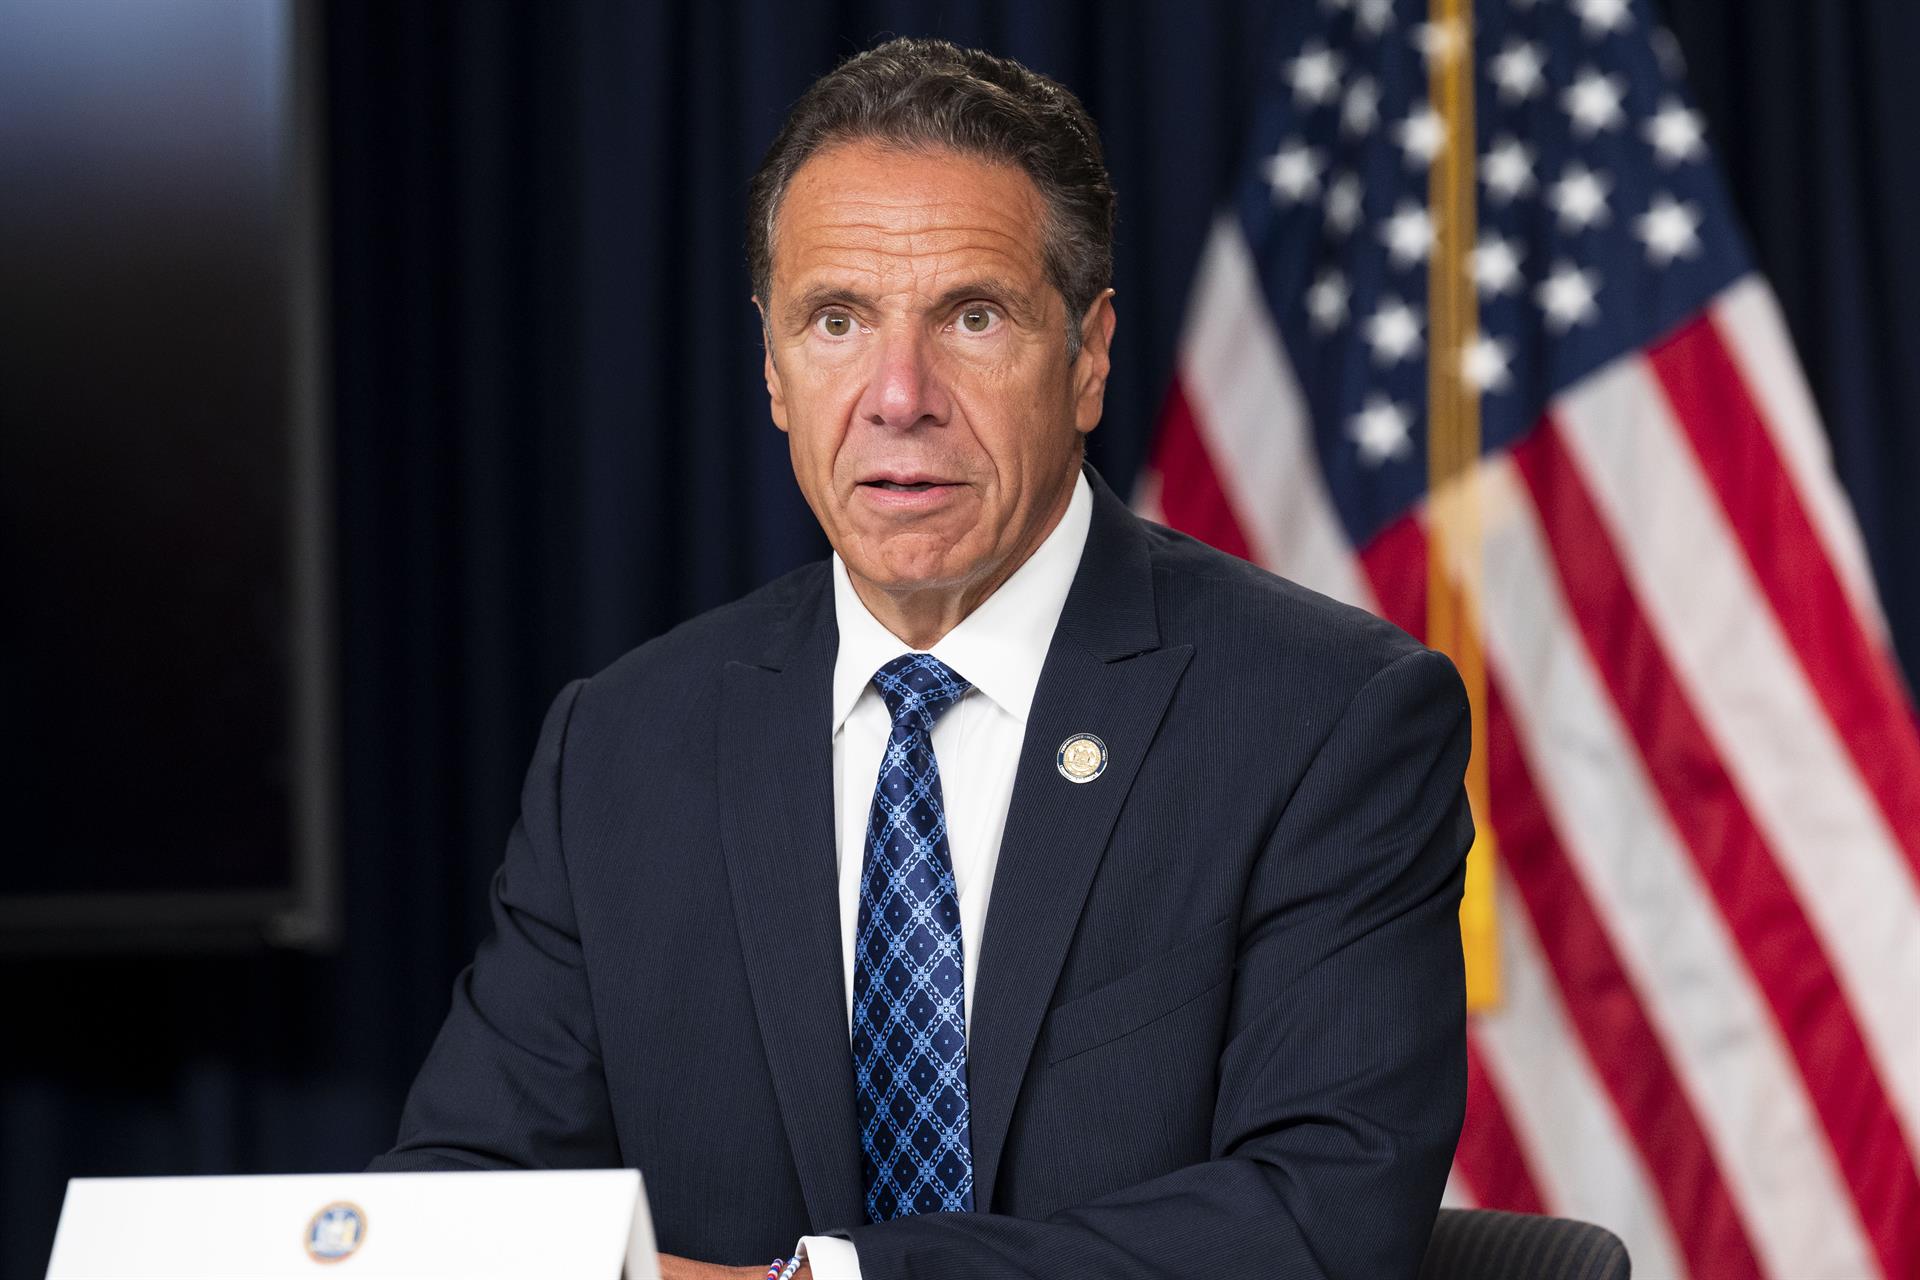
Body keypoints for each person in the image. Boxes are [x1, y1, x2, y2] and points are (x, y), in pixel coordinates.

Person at [374, 37, 1473, 1280]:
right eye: (837, 320)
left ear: (1089, 355)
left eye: (973, 315)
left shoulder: (1327, 719)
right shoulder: (623, 746)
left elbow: (1323, 1217)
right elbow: (460, 1202)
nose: (899, 394)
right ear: (774, 367)